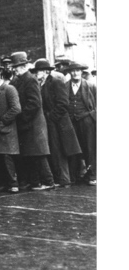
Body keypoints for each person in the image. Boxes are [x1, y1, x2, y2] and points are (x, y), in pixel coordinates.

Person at [10, 51, 55, 190]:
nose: (14, 69)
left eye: (16, 66)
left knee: (39, 154)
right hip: (27, 123)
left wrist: (22, 118)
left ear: (24, 66)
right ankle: (35, 182)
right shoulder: (17, 80)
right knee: (31, 154)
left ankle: (48, 181)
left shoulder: (30, 79)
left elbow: (34, 103)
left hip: (34, 123)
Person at [33, 59, 81, 187]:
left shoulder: (55, 82)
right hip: (51, 122)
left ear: (46, 71)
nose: (37, 73)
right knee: (54, 150)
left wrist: (51, 117)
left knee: (59, 151)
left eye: (39, 71)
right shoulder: (41, 84)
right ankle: (59, 179)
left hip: (59, 123)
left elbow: (63, 103)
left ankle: (64, 179)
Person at [66, 61, 97, 184]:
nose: (75, 73)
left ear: (81, 72)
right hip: (71, 121)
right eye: (73, 71)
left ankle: (92, 175)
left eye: (77, 71)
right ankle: (75, 176)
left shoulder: (90, 86)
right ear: (70, 73)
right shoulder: (65, 86)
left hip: (87, 121)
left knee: (89, 147)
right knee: (74, 148)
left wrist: (92, 116)